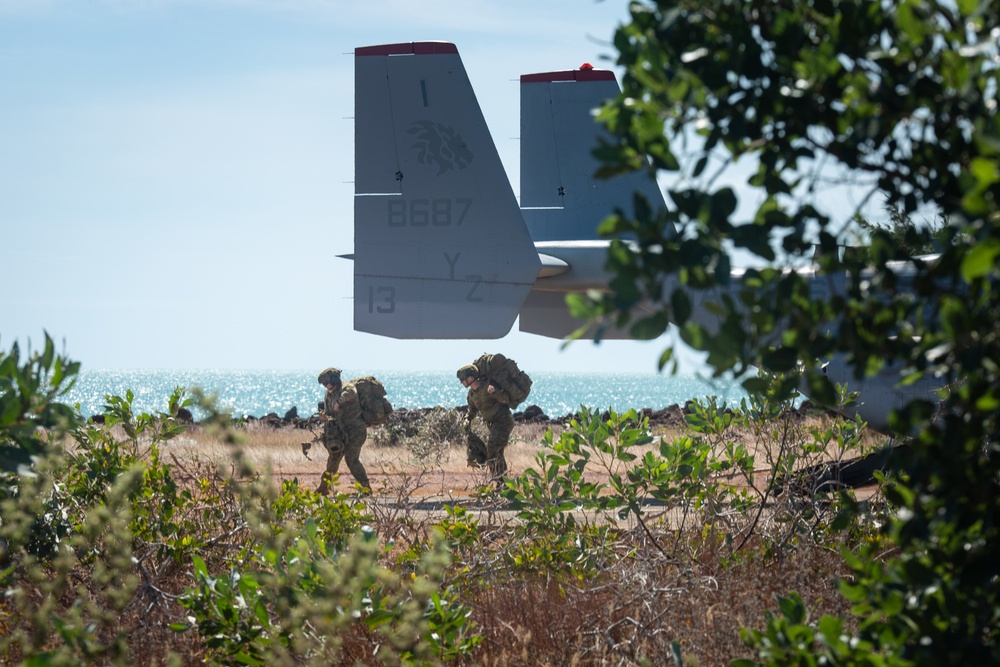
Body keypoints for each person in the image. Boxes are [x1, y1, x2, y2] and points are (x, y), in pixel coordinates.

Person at [457, 362, 514, 487]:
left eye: (463, 379)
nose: (462, 382)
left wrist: (495, 392)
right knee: (497, 453)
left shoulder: (489, 386)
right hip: (493, 424)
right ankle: (504, 485)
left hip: (503, 421)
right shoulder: (471, 394)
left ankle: (501, 483)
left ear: (470, 377)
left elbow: (506, 399)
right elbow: (472, 409)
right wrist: (467, 419)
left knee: (492, 450)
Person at [315, 367, 371, 495]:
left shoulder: (347, 387)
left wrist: (339, 402)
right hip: (339, 433)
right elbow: (330, 415)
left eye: (326, 383)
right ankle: (323, 488)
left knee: (351, 460)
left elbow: (350, 393)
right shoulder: (328, 396)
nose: (325, 386)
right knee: (333, 460)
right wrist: (324, 417)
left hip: (355, 431)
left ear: (333, 380)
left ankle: (366, 489)